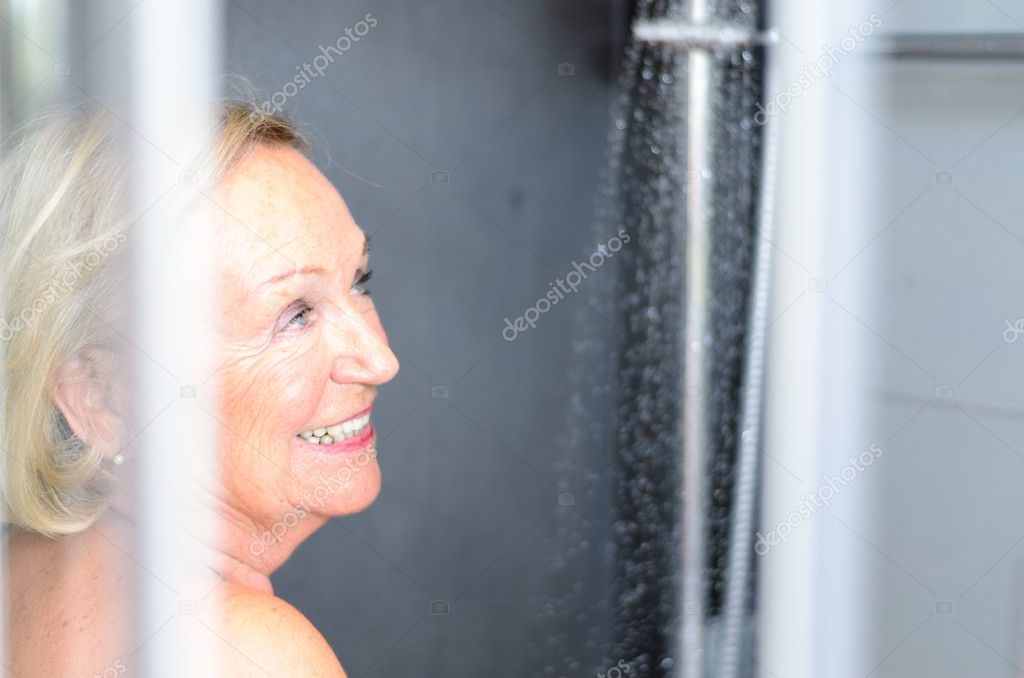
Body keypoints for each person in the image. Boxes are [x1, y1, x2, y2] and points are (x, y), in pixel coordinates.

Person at [0, 99, 399, 677]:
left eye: (359, 280)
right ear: (102, 397)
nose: (379, 359)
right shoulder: (246, 652)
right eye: (294, 315)